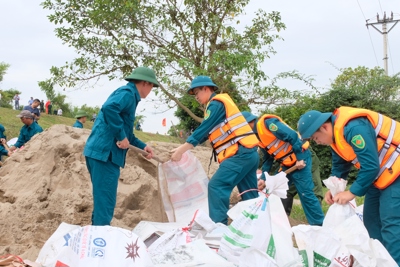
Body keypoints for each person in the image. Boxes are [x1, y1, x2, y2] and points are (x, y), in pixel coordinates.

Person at [297, 107, 400, 265]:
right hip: (383, 175)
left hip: (396, 173)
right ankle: (381, 261)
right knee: (371, 220)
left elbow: (371, 166)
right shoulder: (336, 138)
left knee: (391, 223)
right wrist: (335, 187)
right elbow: (339, 167)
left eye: (316, 138)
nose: (317, 143)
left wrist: (351, 192)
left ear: (324, 127)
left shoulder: (354, 127)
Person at [170, 76, 260, 225]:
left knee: (216, 186)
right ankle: (257, 232)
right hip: (249, 154)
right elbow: (207, 133)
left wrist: (182, 149)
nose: (196, 97)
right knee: (249, 196)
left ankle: (218, 231)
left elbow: (203, 128)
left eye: (197, 93)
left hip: (239, 154)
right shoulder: (220, 104)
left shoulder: (216, 104)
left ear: (206, 88)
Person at [83, 66, 158, 226]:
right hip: (105, 156)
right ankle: (99, 242)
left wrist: (143, 147)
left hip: (99, 154)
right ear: (145, 83)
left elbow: (128, 135)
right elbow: (109, 108)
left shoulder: (129, 96)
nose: (151, 90)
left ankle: (96, 235)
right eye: (152, 86)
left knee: (102, 202)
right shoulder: (128, 94)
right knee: (105, 204)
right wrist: (121, 136)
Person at [242, 111, 324, 226]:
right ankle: (277, 225)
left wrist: (300, 158)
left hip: (301, 157)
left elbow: (292, 136)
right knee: (275, 189)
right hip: (287, 164)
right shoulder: (258, 138)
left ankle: (319, 227)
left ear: (249, 122)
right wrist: (263, 178)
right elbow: (267, 160)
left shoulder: (267, 123)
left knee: (306, 193)